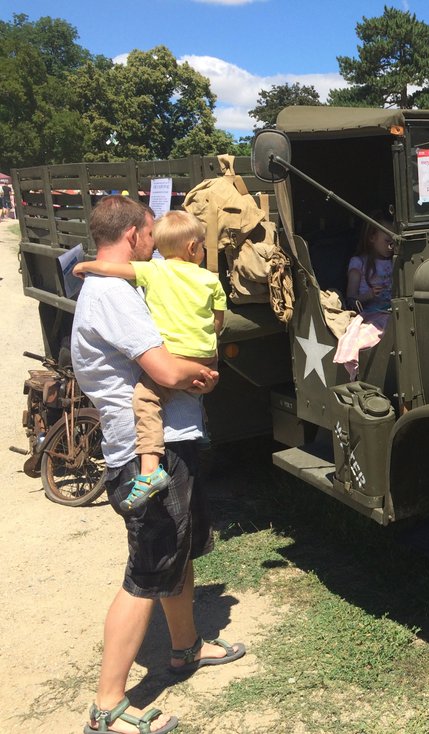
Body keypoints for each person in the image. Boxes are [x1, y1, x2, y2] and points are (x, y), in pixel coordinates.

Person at [72, 196, 244, 734]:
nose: (155, 243)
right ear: (134, 237)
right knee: (146, 569)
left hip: (174, 439)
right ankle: (107, 704)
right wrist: (199, 373)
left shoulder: (121, 284)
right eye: (149, 234)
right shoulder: (111, 294)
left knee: (178, 551)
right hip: (152, 450)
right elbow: (164, 369)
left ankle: (185, 647)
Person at [74, 210, 226, 512]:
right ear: (194, 248)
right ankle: (205, 431)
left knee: (145, 398)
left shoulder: (154, 272)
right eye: (148, 236)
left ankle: (150, 469)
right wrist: (207, 359)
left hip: (175, 372)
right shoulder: (210, 279)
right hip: (205, 354)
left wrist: (84, 265)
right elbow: (217, 322)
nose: (152, 245)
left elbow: (167, 375)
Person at [346, 215, 395, 314]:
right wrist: (369, 295)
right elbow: (350, 299)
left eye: (394, 242)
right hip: (370, 314)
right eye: (387, 241)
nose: (391, 246)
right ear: (372, 238)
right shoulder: (359, 263)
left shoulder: (395, 261)